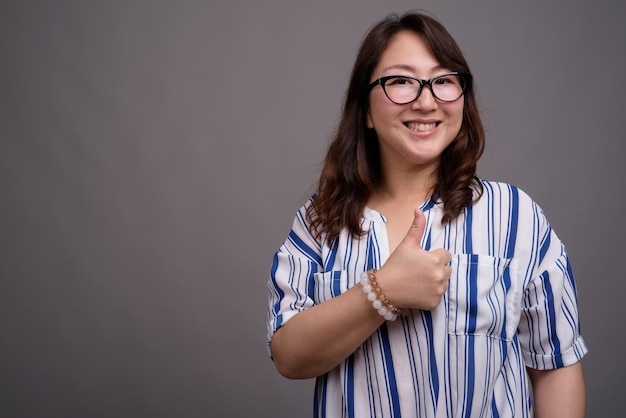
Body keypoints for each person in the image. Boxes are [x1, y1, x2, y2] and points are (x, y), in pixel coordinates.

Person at [266, 11, 587, 418]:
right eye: (400, 81)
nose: (425, 100)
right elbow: (288, 356)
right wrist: (380, 293)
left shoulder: (515, 217)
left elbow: (554, 365)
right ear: (364, 109)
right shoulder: (319, 221)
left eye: (443, 81)